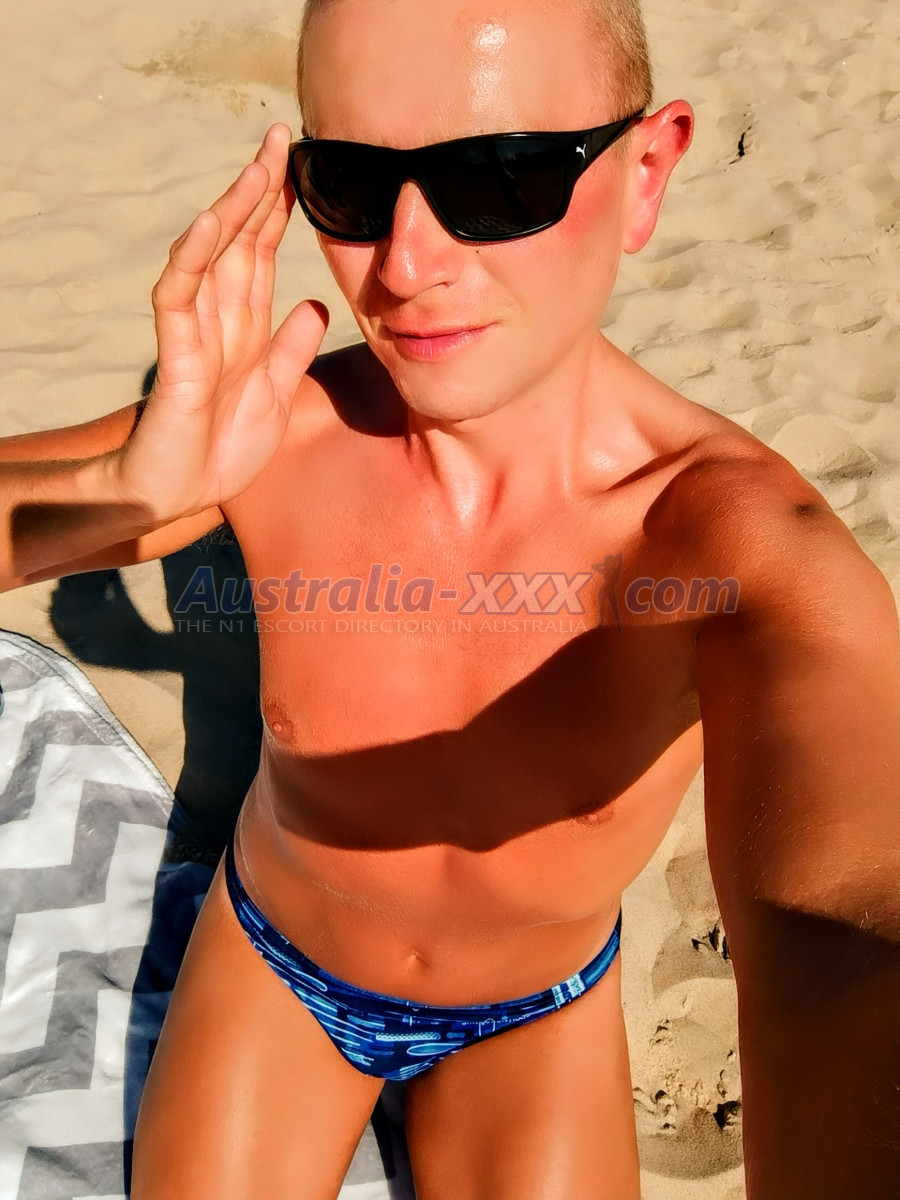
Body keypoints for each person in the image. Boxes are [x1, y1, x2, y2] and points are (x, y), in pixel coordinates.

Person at [1, 0, 898, 1196]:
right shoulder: (279, 434)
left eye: (501, 176)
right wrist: (118, 492)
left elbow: (840, 916)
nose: (407, 267)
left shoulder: (723, 541)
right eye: (354, 186)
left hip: (533, 1014)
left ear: (646, 172)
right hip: (278, 965)